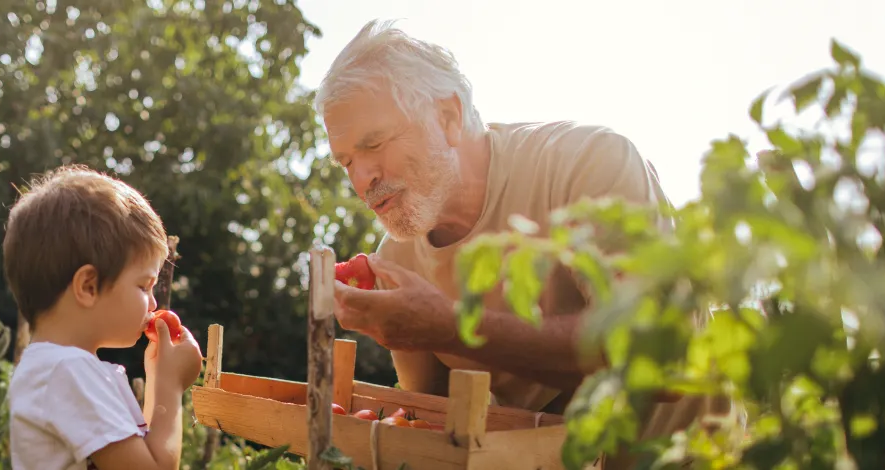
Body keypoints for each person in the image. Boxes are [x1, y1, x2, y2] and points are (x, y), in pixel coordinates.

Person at [314, 20, 735, 468]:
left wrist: (451, 327)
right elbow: (431, 427)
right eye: (346, 162)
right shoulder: (395, 259)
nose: (363, 180)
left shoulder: (589, 163)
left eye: (374, 144)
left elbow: (660, 361)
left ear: (448, 117)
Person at [3, 164, 204, 470]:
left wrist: (157, 381)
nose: (152, 303)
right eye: (144, 285)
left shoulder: (53, 369)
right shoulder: (69, 371)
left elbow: (144, 456)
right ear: (89, 286)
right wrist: (170, 387)